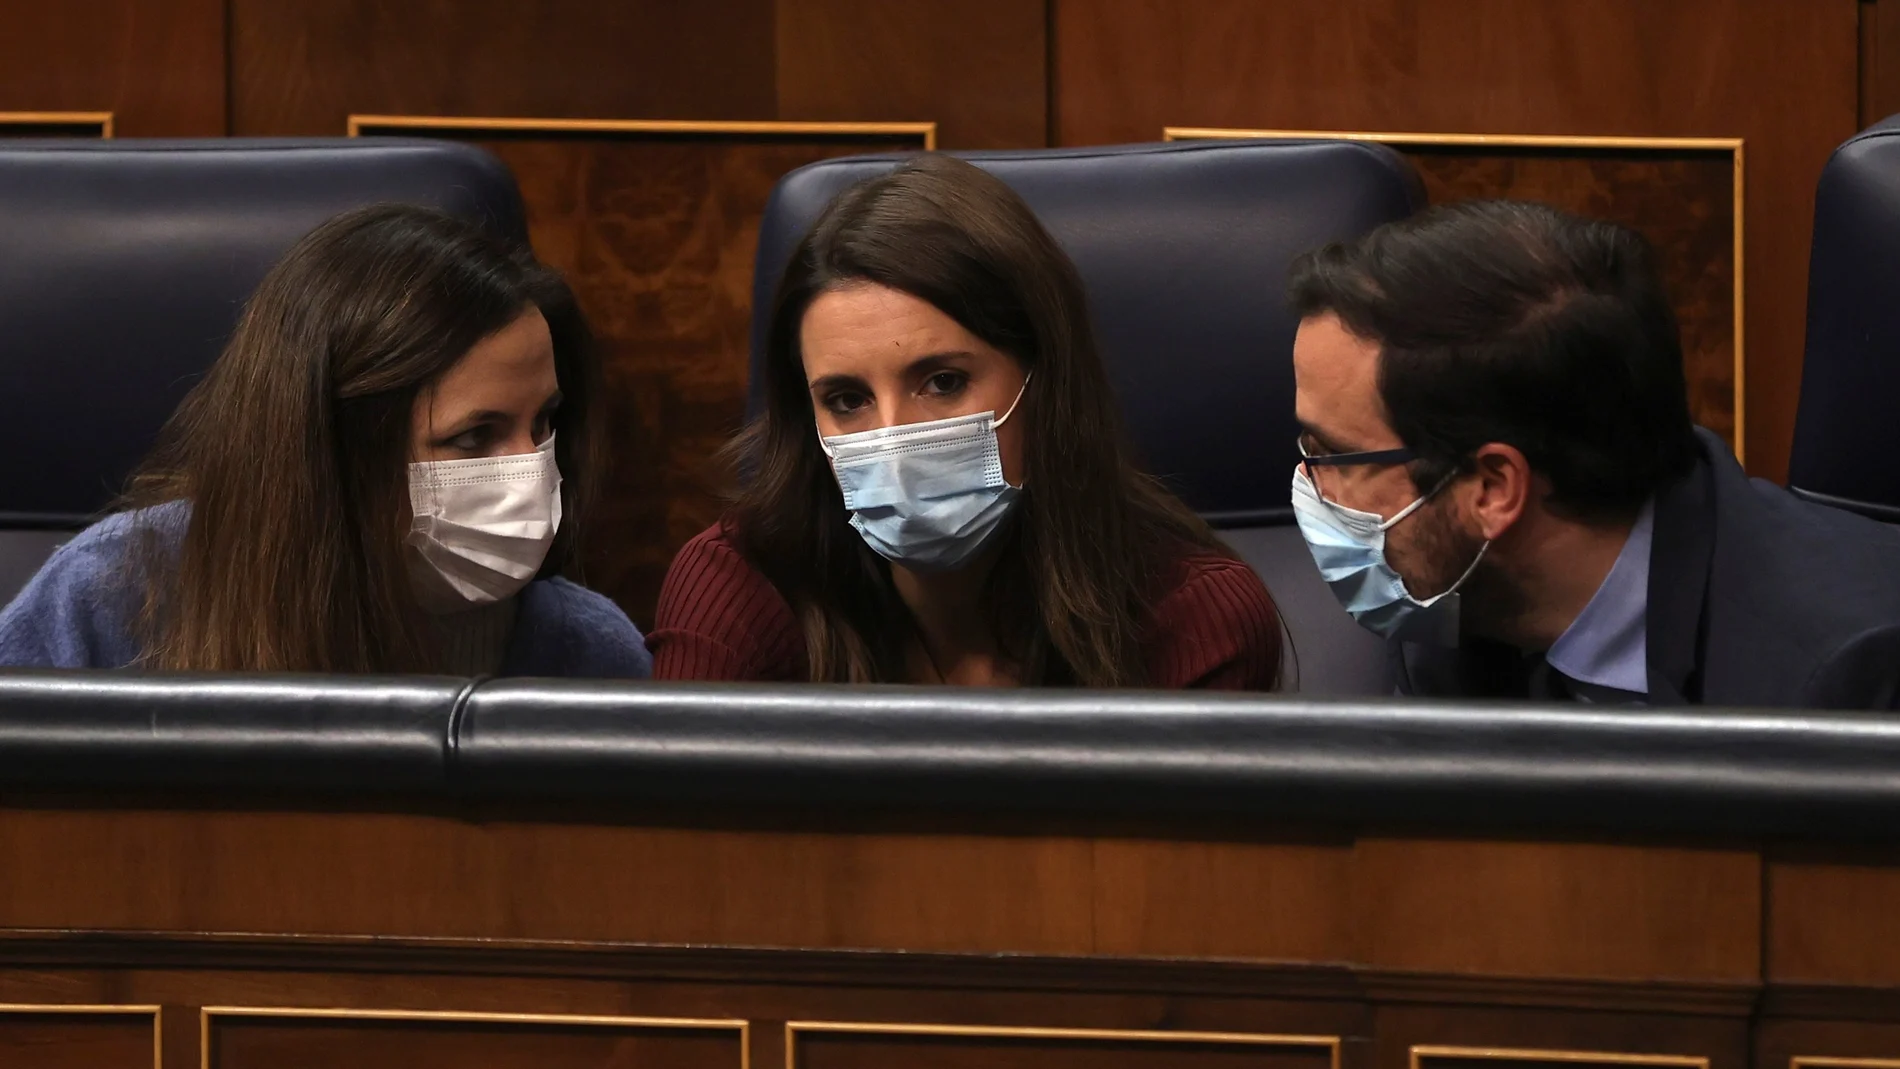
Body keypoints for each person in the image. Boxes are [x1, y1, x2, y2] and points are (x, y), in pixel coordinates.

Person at [649, 154, 1280, 688]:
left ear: (1046, 383)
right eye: (847, 399)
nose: (892, 438)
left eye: (943, 382)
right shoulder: (741, 585)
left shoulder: (1192, 616)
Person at [1286, 198, 1900, 708]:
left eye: (1331, 456)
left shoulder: (1848, 681)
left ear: (1494, 489)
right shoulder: (1446, 604)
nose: (1310, 487)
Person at [0, 204, 650, 677]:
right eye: (475, 435)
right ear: (332, 448)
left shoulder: (588, 651)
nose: (530, 470)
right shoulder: (108, 598)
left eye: (542, 425)